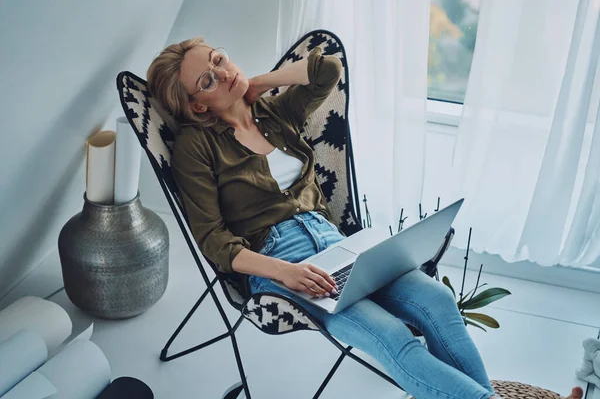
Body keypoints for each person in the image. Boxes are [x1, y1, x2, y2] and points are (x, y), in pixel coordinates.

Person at [146, 37, 583, 399]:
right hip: (283, 261)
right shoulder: (195, 147)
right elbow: (214, 241)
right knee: (395, 339)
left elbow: (328, 71)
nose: (222, 72)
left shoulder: (273, 111)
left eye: (219, 59)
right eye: (208, 79)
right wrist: (285, 272)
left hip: (335, 239)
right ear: (198, 105)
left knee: (439, 301)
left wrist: (257, 83)